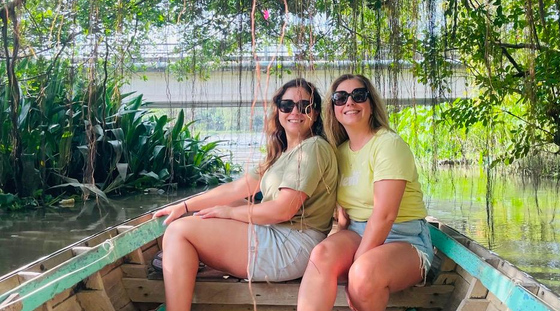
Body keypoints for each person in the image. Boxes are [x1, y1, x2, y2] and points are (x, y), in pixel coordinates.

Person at [153, 78, 338, 311]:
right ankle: (190, 260)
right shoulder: (283, 153)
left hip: (293, 246)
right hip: (280, 234)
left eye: (304, 106)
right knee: (225, 202)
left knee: (178, 231)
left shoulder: (313, 148)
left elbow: (282, 209)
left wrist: (230, 212)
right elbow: (235, 189)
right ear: (278, 109)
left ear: (316, 113)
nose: (295, 112)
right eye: (287, 105)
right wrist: (186, 206)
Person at [297, 74, 433, 311]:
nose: (349, 102)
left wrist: (357, 261)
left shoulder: (388, 144)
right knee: (321, 255)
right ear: (334, 109)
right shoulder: (338, 152)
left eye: (358, 96)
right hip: (357, 231)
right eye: (340, 98)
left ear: (371, 105)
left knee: (363, 274)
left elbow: (385, 215)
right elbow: (341, 207)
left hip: (404, 236)